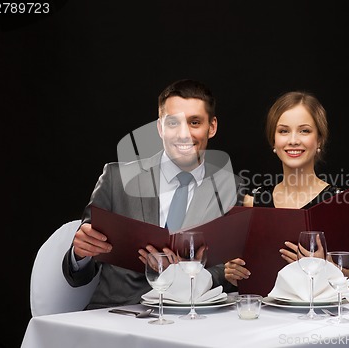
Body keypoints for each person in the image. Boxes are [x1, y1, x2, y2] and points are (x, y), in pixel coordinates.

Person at [62, 79, 241, 309]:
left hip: (191, 318)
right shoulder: (117, 179)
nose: (183, 134)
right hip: (116, 317)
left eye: (194, 122)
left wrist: (184, 274)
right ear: (160, 127)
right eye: (173, 123)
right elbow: (77, 275)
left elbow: (226, 271)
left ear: (212, 127)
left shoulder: (231, 187)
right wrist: (80, 254)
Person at [224, 91, 349, 303]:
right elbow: (251, 281)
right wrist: (234, 273)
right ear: (273, 142)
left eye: (304, 131)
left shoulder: (342, 203)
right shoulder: (252, 203)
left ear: (319, 139)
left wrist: (325, 266)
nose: (293, 140)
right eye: (284, 131)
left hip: (326, 322)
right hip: (269, 319)